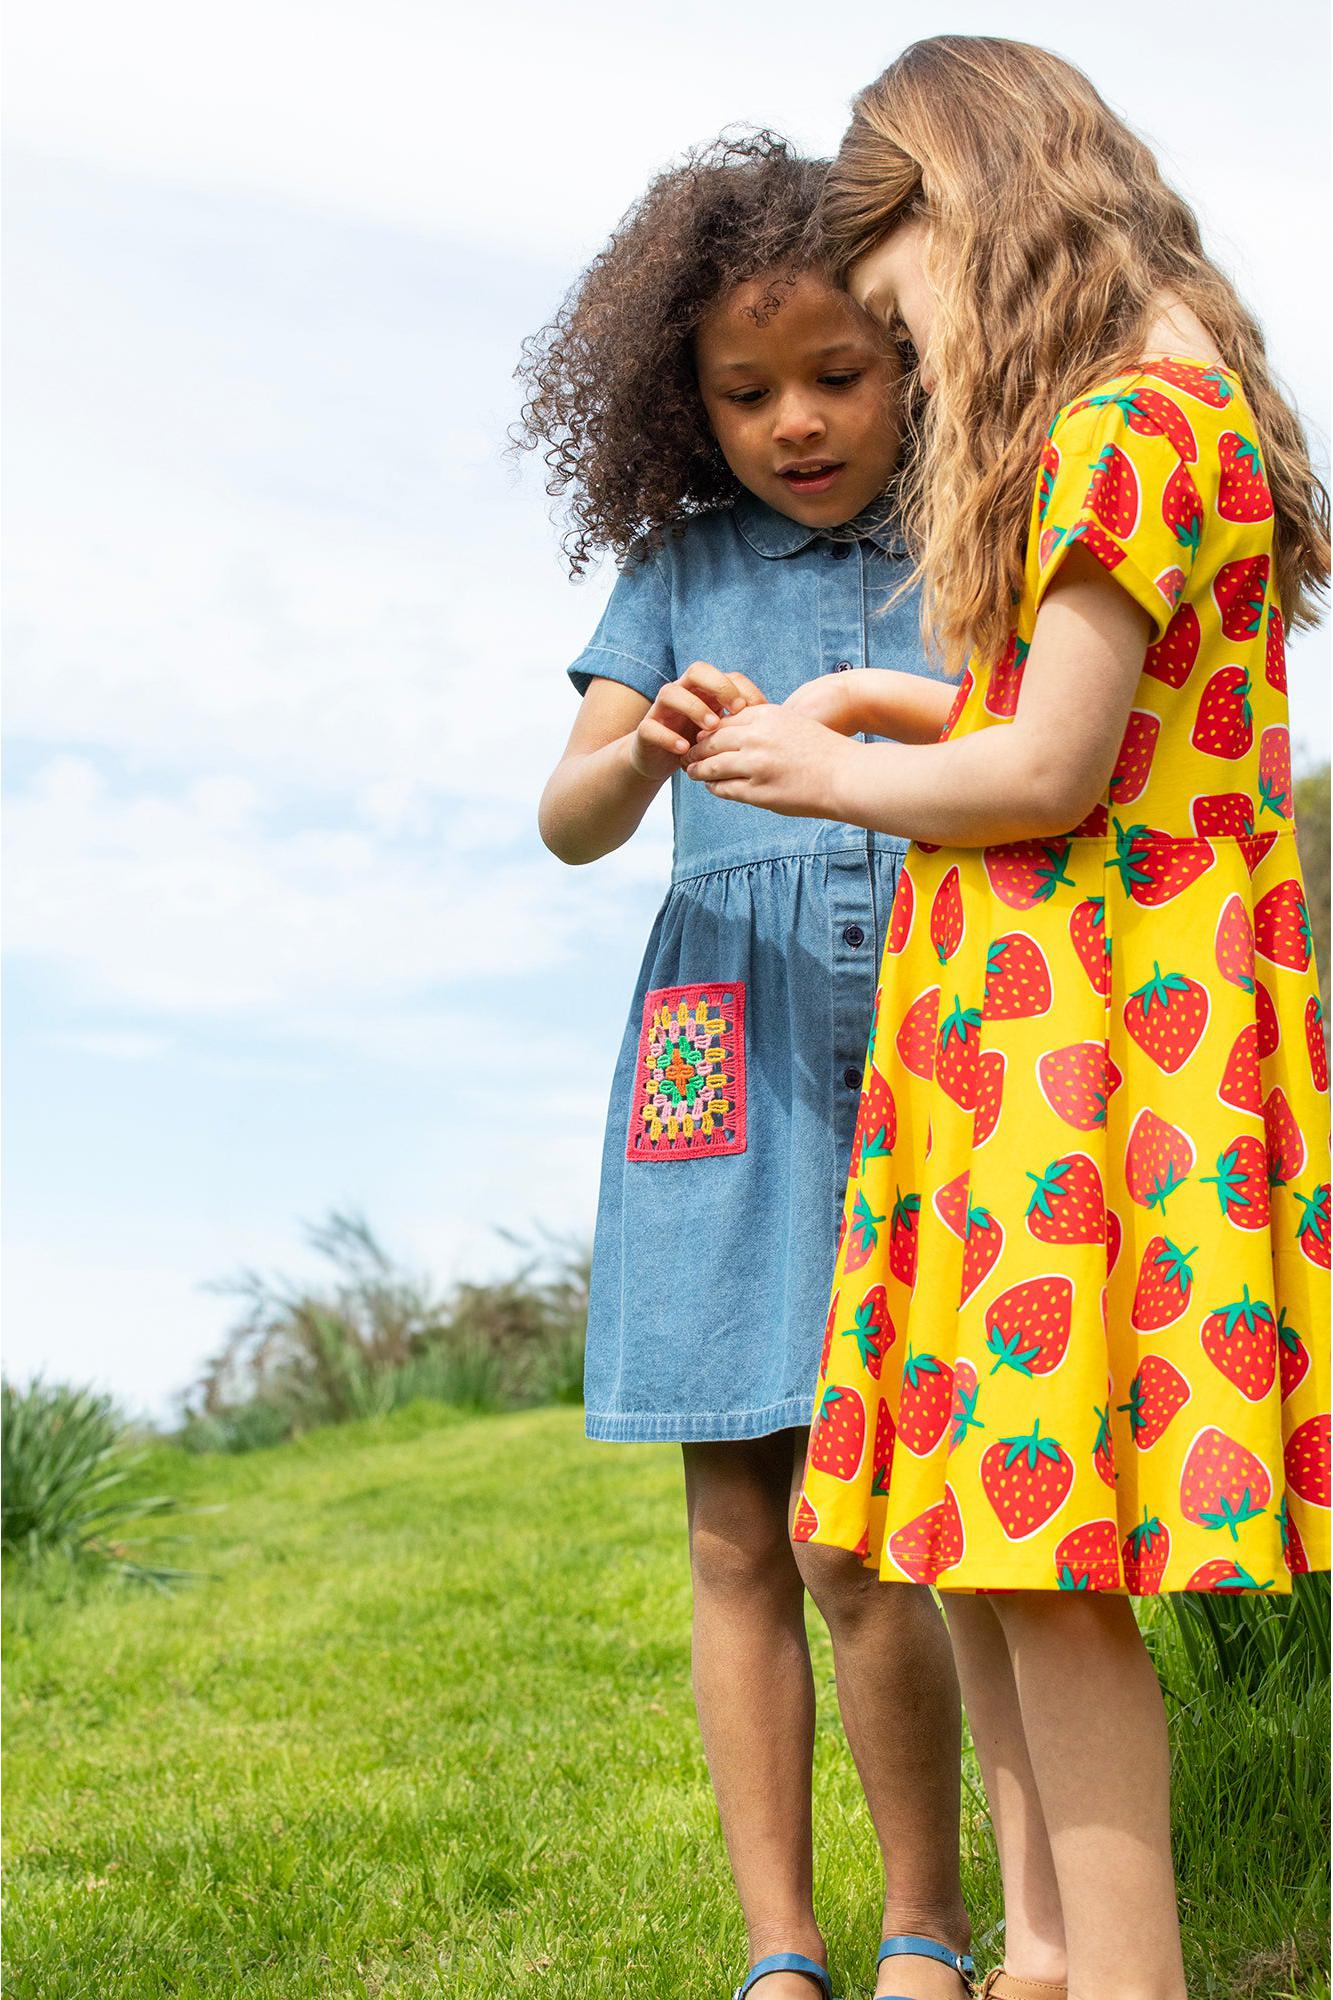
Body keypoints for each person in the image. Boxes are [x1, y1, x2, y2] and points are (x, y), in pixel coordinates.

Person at [686, 41, 1331, 2000]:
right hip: (1026, 1041)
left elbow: (1050, 774)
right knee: (983, 1527)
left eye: (898, 311)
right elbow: (1080, 741)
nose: (920, 355)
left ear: (976, 209)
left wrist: (828, 781)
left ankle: (1122, 1974)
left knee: (1049, 1568)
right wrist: (888, 716)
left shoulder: (1130, 421)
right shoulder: (1141, 416)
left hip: (1091, 1055)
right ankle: (1038, 1950)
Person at [521, 133, 972, 2000]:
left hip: (938, 1037)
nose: (793, 419)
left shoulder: (975, 535)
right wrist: (644, 755)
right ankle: (776, 1947)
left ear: (911, 354)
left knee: (874, 1530)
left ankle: (925, 1928)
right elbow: (564, 818)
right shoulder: (675, 575)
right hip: (727, 1057)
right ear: (674, 402)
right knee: (740, 1523)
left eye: (836, 376)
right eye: (743, 392)